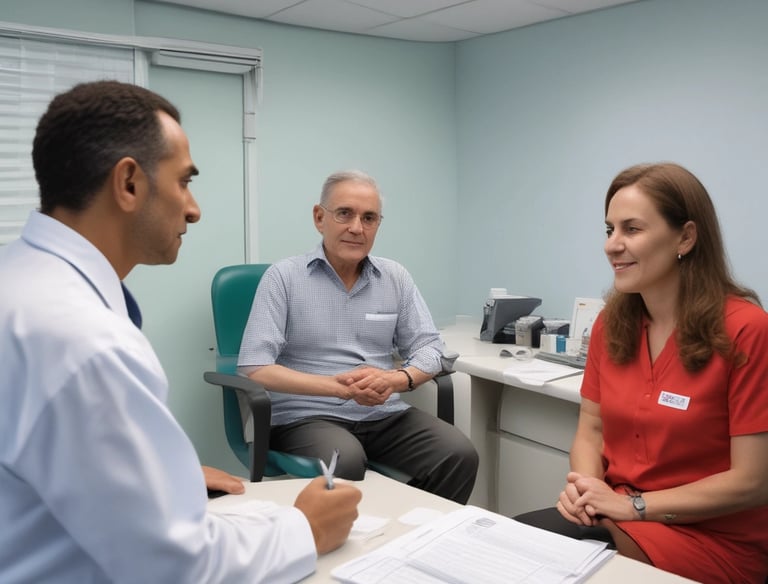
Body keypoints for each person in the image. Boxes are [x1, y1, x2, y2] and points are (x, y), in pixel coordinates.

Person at [0, 80, 361, 582]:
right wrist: (305, 528)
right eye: (184, 182)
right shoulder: (84, 341)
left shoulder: (18, 284)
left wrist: (161, 480)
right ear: (128, 183)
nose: (193, 208)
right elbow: (175, 568)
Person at [515, 162, 768, 583]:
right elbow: (591, 429)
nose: (612, 245)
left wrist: (629, 507)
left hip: (713, 538)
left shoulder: (747, 330)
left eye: (631, 229)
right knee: (517, 541)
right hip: (621, 515)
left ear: (685, 236)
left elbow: (754, 482)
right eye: (609, 229)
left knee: (540, 552)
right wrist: (586, 491)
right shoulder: (611, 325)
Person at [237, 170, 478, 504]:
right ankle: (358, 547)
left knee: (458, 454)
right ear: (319, 218)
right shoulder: (284, 277)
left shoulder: (394, 277)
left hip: (383, 414)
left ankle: (410, 536)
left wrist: (397, 379)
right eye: (344, 214)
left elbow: (432, 348)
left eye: (369, 218)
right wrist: (339, 388)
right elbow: (256, 367)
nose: (356, 228)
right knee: (346, 460)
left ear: (378, 224)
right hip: (306, 417)